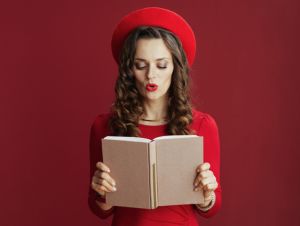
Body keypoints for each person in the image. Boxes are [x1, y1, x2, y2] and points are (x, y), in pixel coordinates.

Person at [88, 7, 222, 226]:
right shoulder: (104, 126)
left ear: (175, 68)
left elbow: (212, 208)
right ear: (129, 69)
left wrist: (208, 195)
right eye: (141, 65)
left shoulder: (202, 125)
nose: (151, 75)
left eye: (161, 65)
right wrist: (102, 190)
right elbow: (99, 209)